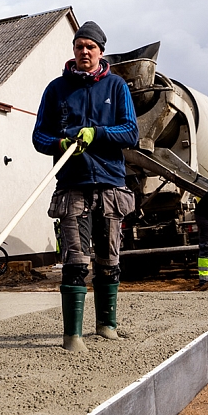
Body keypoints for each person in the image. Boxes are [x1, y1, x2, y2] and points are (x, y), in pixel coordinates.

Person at [32, 21, 139, 353]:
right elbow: (39, 136)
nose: (84, 52)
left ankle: (107, 326)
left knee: (109, 259)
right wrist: (61, 143)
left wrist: (97, 133)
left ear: (101, 51)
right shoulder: (57, 89)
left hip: (110, 185)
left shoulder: (116, 87)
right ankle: (73, 336)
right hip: (73, 186)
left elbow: (131, 132)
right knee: (76, 261)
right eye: (79, 46)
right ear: (74, 51)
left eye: (90, 47)